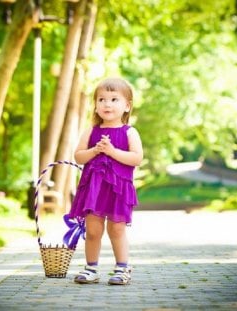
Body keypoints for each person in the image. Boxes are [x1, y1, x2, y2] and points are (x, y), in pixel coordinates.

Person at [68, 77, 143, 285]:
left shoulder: (129, 132)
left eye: (113, 99)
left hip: (118, 190)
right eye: (101, 99)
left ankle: (122, 268)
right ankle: (91, 268)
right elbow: (79, 157)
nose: (107, 104)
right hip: (94, 189)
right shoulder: (91, 131)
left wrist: (112, 151)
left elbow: (136, 158)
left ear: (127, 106)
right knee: (93, 230)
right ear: (96, 105)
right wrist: (95, 150)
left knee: (116, 229)